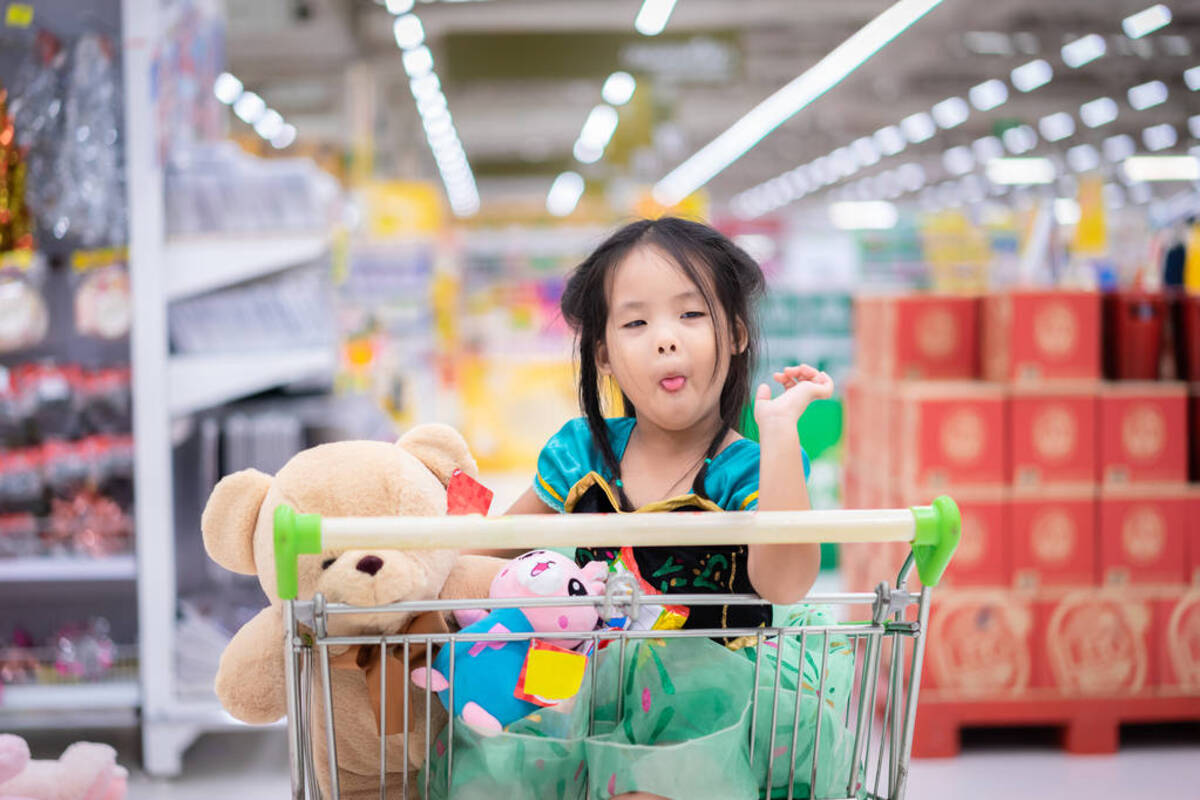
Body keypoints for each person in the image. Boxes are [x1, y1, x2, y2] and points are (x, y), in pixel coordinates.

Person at [492, 216, 834, 799]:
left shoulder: (750, 470)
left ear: (737, 333)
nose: (665, 338)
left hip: (716, 715)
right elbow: (491, 548)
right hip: (586, 690)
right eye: (636, 321)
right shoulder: (583, 455)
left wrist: (780, 437)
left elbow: (784, 581)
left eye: (691, 314)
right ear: (603, 354)